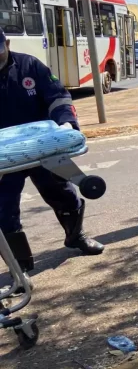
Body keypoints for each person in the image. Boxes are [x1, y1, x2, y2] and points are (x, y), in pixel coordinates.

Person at [0, 27, 103, 272]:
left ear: (8, 43)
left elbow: (58, 97)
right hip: (5, 156)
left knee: (66, 195)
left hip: (45, 147)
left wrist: (66, 124)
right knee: (3, 211)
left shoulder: (30, 66)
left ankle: (75, 236)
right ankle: (20, 270)